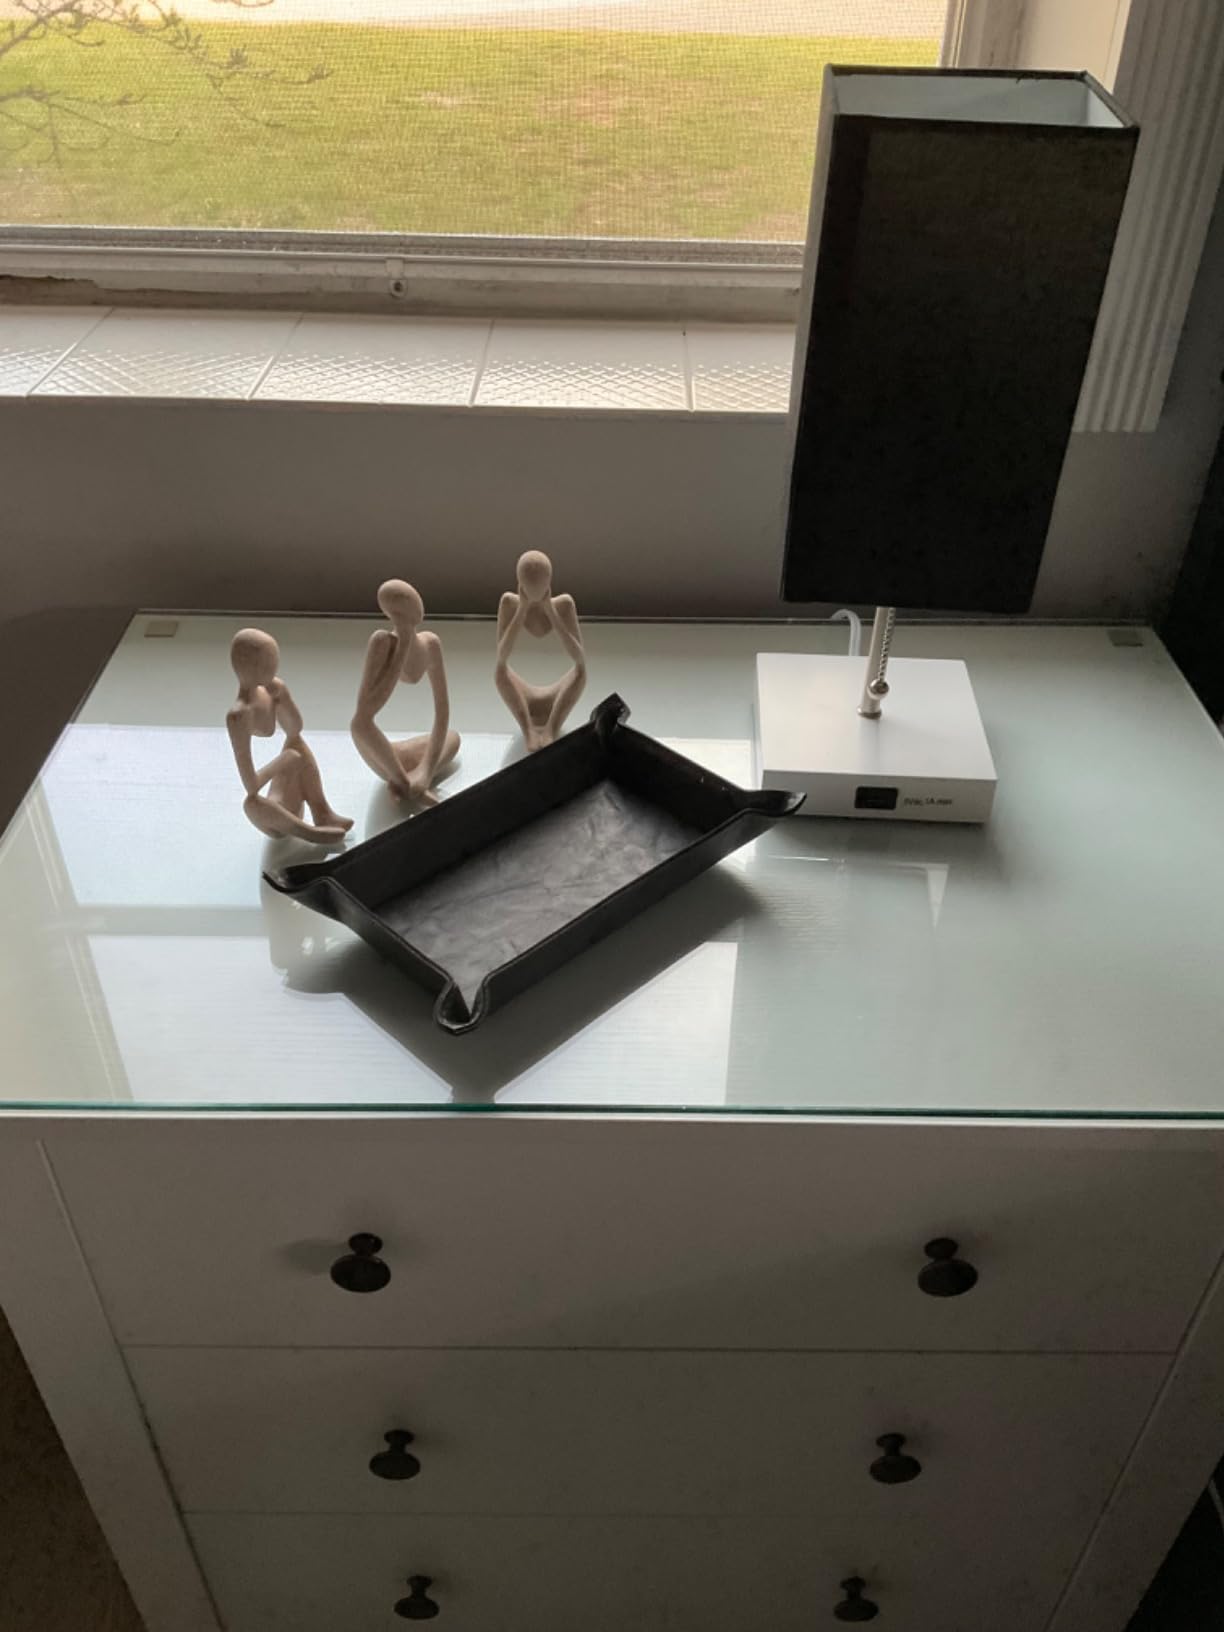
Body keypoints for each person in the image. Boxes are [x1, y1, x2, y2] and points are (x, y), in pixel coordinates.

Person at [227, 628, 353, 844]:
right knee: (251, 803)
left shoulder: (272, 690)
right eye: (269, 664)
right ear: (251, 668)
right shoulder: (239, 715)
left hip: (287, 796)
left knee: (297, 743)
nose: (275, 668)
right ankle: (310, 832)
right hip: (274, 818)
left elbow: (295, 729)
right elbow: (251, 785)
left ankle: (322, 812)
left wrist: (283, 699)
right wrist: (284, 760)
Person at [351, 579, 460, 805]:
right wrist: (400, 649)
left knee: (453, 738)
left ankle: (410, 782)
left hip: (407, 761)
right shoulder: (381, 643)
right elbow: (366, 713)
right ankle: (404, 781)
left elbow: (442, 709)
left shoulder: (431, 644)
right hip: (383, 757)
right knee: (358, 725)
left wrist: (426, 771)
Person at [494, 551, 586, 752]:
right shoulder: (509, 603)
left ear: (549, 583)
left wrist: (551, 611)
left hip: (558, 694)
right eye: (528, 587)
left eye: (540, 586)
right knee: (499, 673)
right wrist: (521, 610)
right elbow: (501, 658)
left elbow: (579, 659)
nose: (534, 593)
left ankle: (550, 728)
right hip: (523, 693)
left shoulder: (564, 604)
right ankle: (528, 730)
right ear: (520, 584)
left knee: (581, 673)